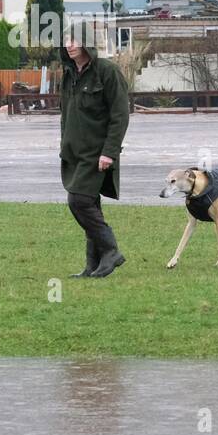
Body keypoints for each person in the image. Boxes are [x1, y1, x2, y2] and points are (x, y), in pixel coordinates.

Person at [60, 36, 130, 278]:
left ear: (87, 42)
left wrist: (109, 152)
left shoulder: (107, 72)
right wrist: (64, 146)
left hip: (97, 152)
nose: (69, 45)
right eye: (66, 40)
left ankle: (111, 250)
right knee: (89, 204)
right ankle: (93, 264)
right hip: (75, 152)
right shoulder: (69, 73)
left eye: (74, 40)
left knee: (78, 201)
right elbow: (65, 113)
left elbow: (120, 115)